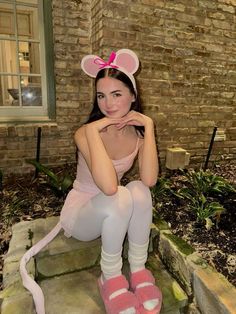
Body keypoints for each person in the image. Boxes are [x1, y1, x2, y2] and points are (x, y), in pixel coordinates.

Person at [20, 49, 162, 314]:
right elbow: (108, 187)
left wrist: (149, 127)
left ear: (133, 95)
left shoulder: (139, 135)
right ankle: (110, 277)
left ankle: (139, 271)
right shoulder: (85, 133)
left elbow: (150, 179)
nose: (108, 104)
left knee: (139, 189)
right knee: (119, 194)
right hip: (82, 213)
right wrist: (93, 129)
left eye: (116, 94)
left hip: (112, 208)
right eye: (101, 95)